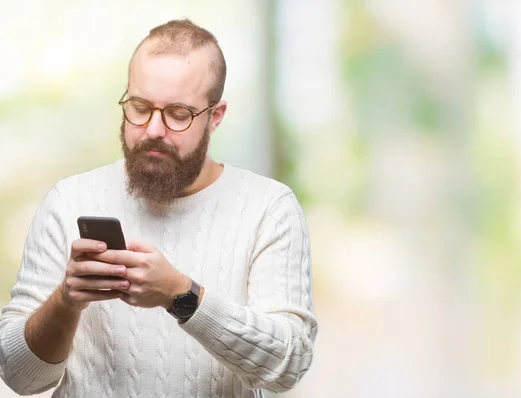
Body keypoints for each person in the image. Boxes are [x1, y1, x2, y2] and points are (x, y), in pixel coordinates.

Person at [0, 18, 317, 398]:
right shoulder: (69, 201)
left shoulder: (269, 207)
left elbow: (288, 365)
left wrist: (182, 296)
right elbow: (20, 378)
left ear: (215, 116)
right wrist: (66, 301)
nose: (153, 129)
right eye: (140, 107)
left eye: (178, 114)